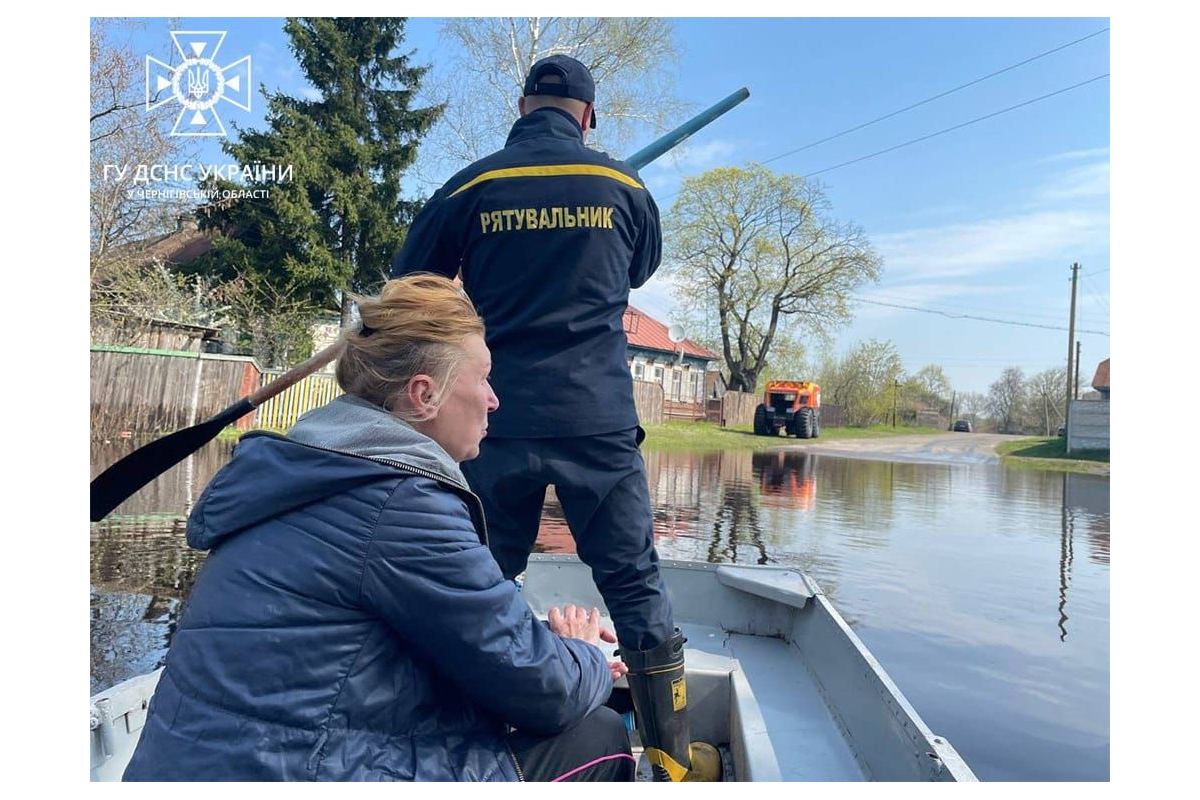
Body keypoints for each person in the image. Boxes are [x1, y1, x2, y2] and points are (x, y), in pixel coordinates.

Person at [123, 273, 634, 782]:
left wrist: (545, 647)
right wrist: (584, 656)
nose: (494, 399)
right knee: (599, 736)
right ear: (423, 394)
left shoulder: (303, 473)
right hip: (298, 766)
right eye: (483, 378)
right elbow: (546, 693)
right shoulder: (403, 501)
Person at [391, 55, 718, 782]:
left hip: (493, 420)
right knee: (633, 583)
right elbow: (637, 270)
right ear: (590, 117)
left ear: (521, 105)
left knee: (477, 577)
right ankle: (670, 759)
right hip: (596, 422)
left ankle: (463, 735)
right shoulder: (625, 186)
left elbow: (410, 280)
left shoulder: (473, 185)